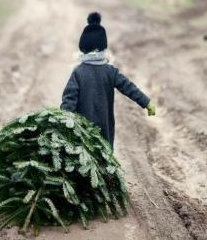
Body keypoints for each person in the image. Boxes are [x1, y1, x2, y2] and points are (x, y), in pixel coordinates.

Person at [60, 12, 156, 147]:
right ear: (103, 48)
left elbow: (69, 99)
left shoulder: (78, 72)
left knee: (84, 158)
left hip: (81, 130)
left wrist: (64, 119)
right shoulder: (110, 72)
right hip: (105, 130)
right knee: (104, 160)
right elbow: (129, 88)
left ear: (83, 49)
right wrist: (146, 103)